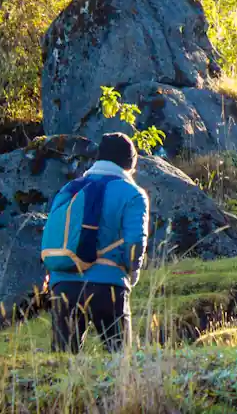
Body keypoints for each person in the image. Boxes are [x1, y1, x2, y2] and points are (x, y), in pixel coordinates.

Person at [42, 133, 149, 353]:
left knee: (62, 365)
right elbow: (135, 242)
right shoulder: (133, 194)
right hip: (107, 287)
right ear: (130, 163)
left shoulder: (69, 189)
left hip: (63, 284)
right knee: (120, 361)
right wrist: (132, 273)